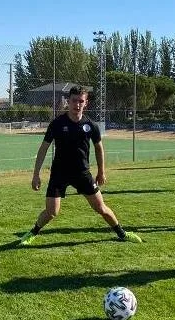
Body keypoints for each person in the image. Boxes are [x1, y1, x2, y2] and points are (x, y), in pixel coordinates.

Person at [19, 85, 142, 245]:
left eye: (81, 101)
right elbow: (43, 148)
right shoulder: (57, 124)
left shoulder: (91, 125)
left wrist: (101, 172)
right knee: (51, 212)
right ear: (68, 102)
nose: (77, 104)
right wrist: (36, 175)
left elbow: (99, 148)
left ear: (86, 103)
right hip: (59, 174)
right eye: (74, 101)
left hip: (82, 174)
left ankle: (122, 234)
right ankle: (32, 233)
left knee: (101, 208)